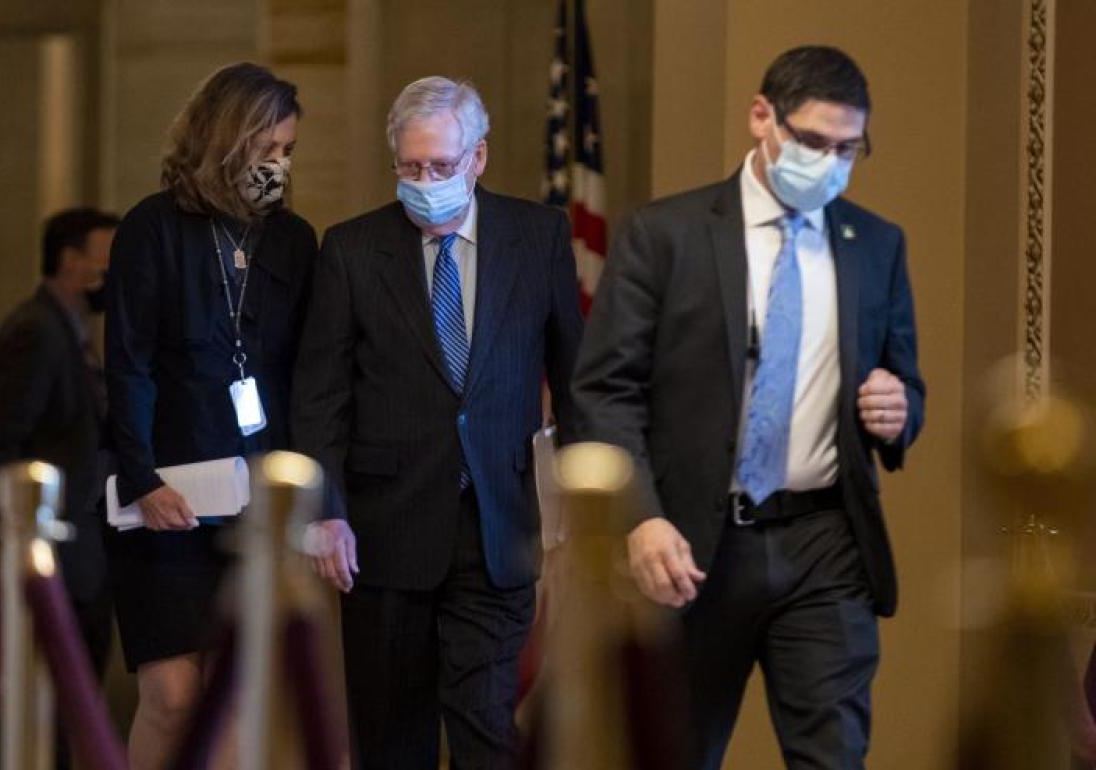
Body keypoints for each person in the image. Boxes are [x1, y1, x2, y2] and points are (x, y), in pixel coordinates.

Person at [572, 46, 925, 769]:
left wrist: (900, 409)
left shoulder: (875, 244)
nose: (830, 163)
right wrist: (642, 518)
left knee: (833, 755)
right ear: (763, 117)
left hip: (826, 543)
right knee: (673, 751)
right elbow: (604, 390)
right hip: (694, 545)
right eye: (814, 141)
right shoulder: (664, 235)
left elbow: (904, 383)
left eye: (848, 149)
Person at [292, 76, 584, 769]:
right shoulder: (352, 249)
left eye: (441, 166)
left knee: (485, 725)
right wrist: (326, 510)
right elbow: (320, 396)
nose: (425, 183)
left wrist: (586, 502)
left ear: (478, 157)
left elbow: (576, 377)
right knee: (392, 739)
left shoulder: (537, 236)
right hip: (384, 531)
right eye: (411, 167)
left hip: (498, 523)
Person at [104, 62, 316, 770]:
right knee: (172, 694)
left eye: (288, 151)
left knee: (234, 697)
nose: (279, 166)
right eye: (267, 149)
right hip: (166, 493)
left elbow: (303, 376)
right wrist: (142, 477)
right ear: (227, 140)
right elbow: (128, 362)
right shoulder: (153, 227)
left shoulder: (293, 240)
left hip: (257, 502)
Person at [0, 206, 119, 770]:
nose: (114, 275)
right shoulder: (36, 333)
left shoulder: (71, 335)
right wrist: (4, 545)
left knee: (51, 718)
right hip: (48, 560)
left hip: (77, 560)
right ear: (71, 260)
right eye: (107, 260)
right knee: (35, 718)